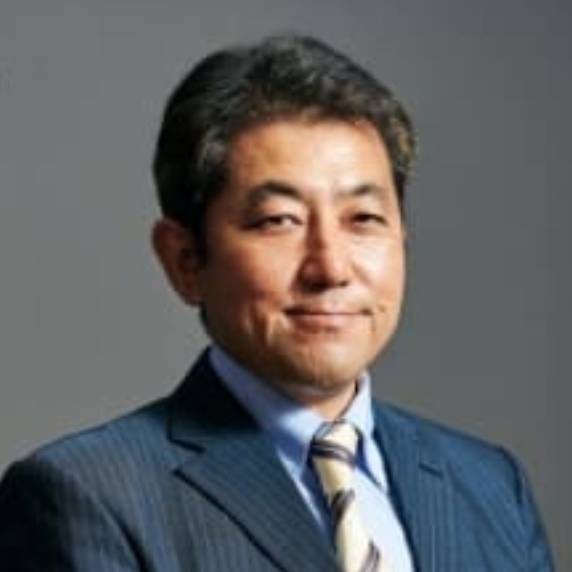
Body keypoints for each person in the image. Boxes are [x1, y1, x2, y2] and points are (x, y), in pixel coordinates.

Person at [0, 35, 554, 571]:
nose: (331, 268)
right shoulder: (88, 497)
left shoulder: (489, 484)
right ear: (185, 259)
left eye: (364, 219)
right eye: (279, 221)